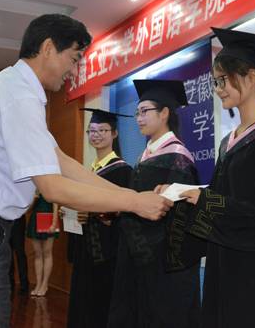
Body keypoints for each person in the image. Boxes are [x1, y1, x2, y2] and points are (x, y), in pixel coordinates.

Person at [0, 14, 172, 328]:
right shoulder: (20, 95)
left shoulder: (15, 88)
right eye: (74, 58)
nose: (74, 70)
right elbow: (53, 187)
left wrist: (130, 195)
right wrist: (136, 203)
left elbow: (61, 162)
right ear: (47, 48)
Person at [175, 28, 255, 328]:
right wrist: (182, 198)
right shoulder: (229, 141)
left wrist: (206, 200)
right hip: (224, 269)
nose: (218, 89)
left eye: (223, 80)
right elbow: (225, 201)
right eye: (215, 82)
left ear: (250, 76)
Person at [108, 79, 204, 328]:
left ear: (164, 113)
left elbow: (180, 218)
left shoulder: (178, 158)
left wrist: (143, 247)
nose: (139, 118)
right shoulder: (146, 155)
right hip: (139, 258)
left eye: (145, 111)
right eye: (137, 113)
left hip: (163, 263)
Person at [67, 108, 133, 328]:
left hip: (106, 252)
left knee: (101, 303)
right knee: (83, 300)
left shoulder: (123, 171)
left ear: (114, 133)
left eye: (102, 130)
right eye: (92, 131)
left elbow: (125, 212)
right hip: (86, 249)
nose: (95, 135)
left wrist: (94, 213)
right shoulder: (90, 171)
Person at [26, 192, 59, 297]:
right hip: (35, 218)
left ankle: (45, 284)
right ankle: (38, 284)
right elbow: (29, 207)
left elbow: (55, 203)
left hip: (48, 217)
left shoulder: (50, 185)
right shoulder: (34, 186)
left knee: (47, 252)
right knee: (37, 253)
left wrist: (54, 222)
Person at [9, 214, 29, 296]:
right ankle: (10, 281)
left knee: (19, 252)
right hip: (5, 220)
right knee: (8, 252)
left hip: (18, 220)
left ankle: (24, 283)